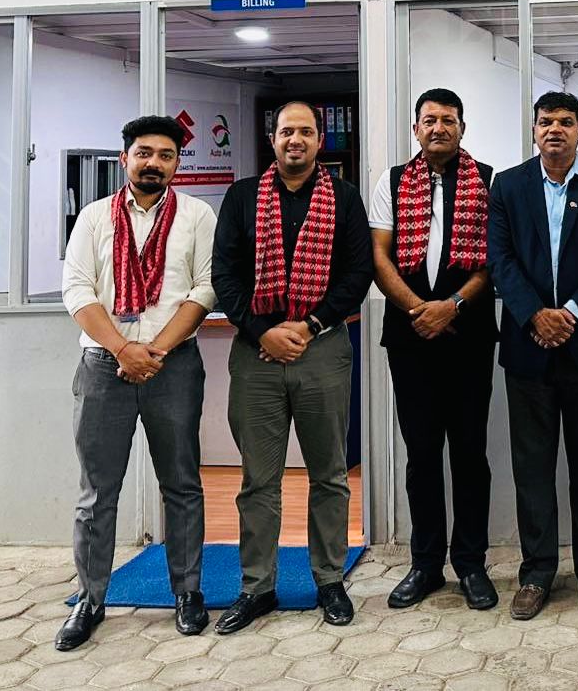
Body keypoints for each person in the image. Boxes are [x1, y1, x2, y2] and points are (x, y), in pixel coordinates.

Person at [211, 101, 373, 633]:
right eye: (286, 131)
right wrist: (264, 331)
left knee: (329, 475)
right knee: (259, 480)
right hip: (256, 352)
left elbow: (358, 274)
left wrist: (308, 326)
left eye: (305, 131)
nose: (295, 140)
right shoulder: (242, 198)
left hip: (321, 348)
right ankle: (257, 587)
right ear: (273, 139)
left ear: (320, 140)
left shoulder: (344, 199)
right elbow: (224, 274)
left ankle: (330, 580)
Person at [56, 115, 217, 651]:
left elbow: (205, 288)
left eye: (165, 155)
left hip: (174, 365)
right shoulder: (93, 217)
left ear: (177, 163)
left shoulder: (197, 215)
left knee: (182, 484)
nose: (154, 163)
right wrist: (124, 349)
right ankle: (90, 599)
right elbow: (77, 291)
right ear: (125, 158)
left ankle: (188, 593)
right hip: (104, 366)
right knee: (97, 491)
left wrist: (156, 351)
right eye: (144, 153)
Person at [486, 91, 578, 620]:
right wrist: (535, 315)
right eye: (546, 121)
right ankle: (536, 573)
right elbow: (499, 259)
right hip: (528, 348)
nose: (555, 130)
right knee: (532, 468)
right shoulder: (508, 185)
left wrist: (569, 314)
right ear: (534, 130)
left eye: (565, 122)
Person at [369, 88, 498, 611]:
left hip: (469, 336)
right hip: (410, 337)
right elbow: (379, 257)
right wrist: (420, 309)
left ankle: (471, 564)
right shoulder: (392, 181)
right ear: (416, 128)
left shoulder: (489, 180)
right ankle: (424, 564)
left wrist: (452, 306)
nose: (438, 128)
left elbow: (494, 259)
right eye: (429, 120)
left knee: (469, 454)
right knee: (421, 454)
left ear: (462, 127)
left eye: (448, 120)